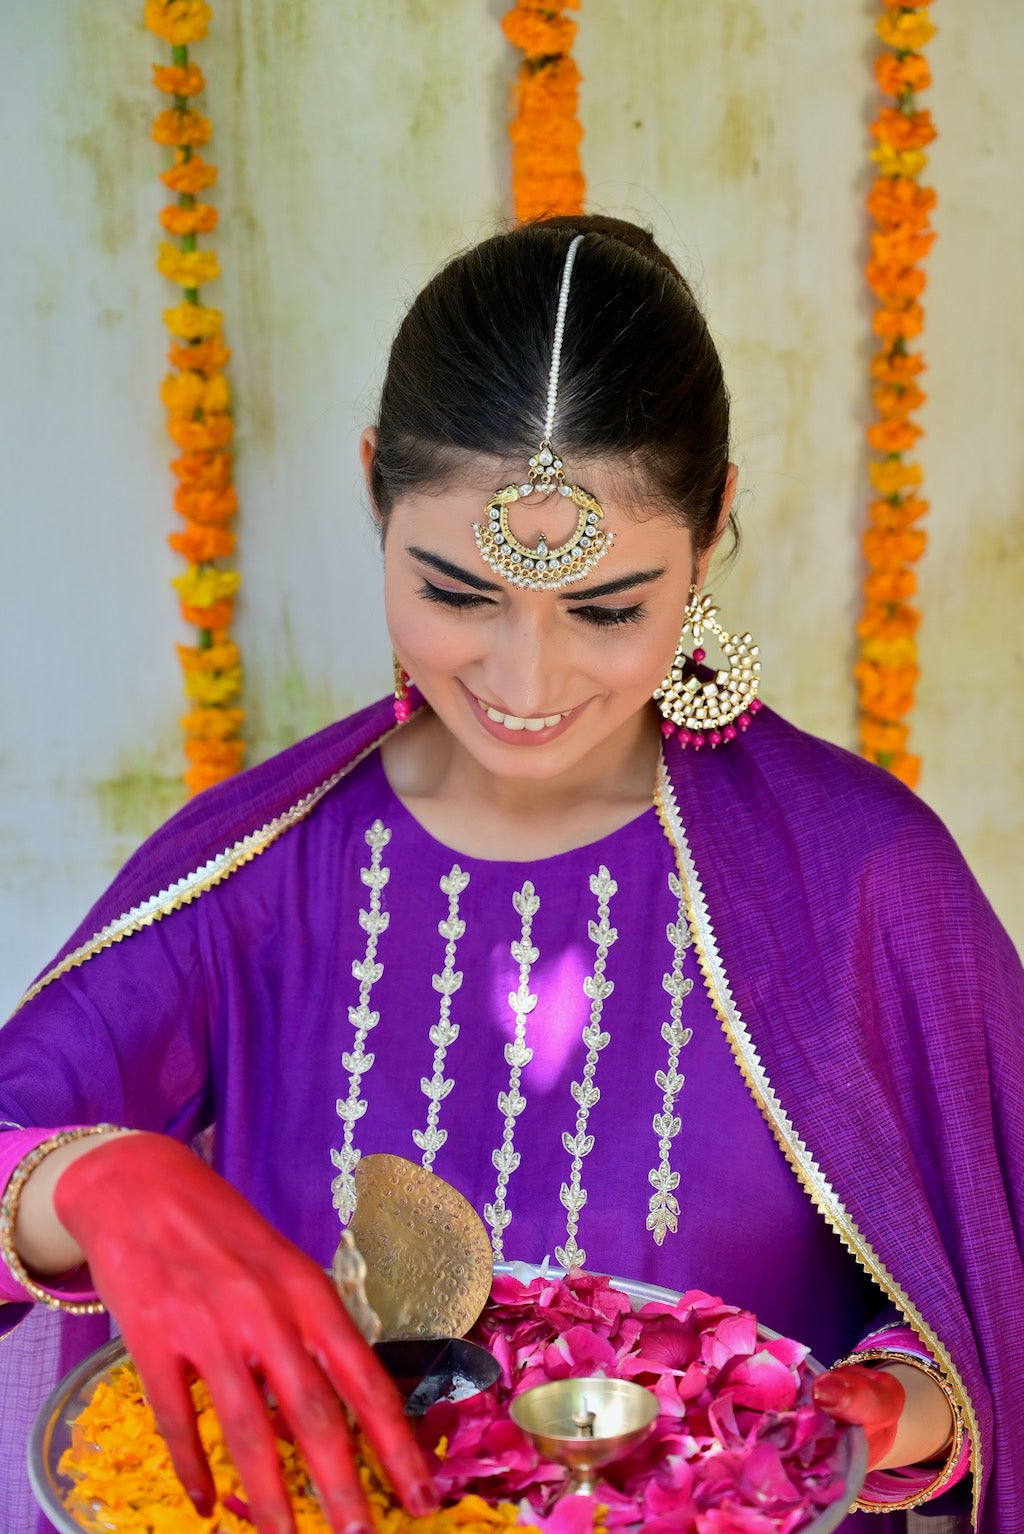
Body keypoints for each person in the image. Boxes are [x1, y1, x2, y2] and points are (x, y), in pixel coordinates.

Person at [0, 216, 1020, 1534]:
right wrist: (81, 1178)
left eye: (608, 610)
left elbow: (987, 1283)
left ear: (711, 531)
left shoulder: (861, 878)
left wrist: (898, 1407)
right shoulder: (257, 878)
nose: (527, 684)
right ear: (375, 487)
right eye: (456, 591)